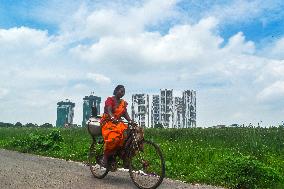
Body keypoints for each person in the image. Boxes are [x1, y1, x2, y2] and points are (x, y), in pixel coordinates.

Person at [100, 85, 133, 168]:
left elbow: (125, 113)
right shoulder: (110, 100)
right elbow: (109, 110)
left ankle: (123, 156)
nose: (122, 93)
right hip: (108, 122)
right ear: (116, 91)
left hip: (118, 123)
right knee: (114, 137)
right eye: (121, 91)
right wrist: (112, 117)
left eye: (124, 92)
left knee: (128, 137)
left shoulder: (123, 103)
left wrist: (130, 121)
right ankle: (105, 156)